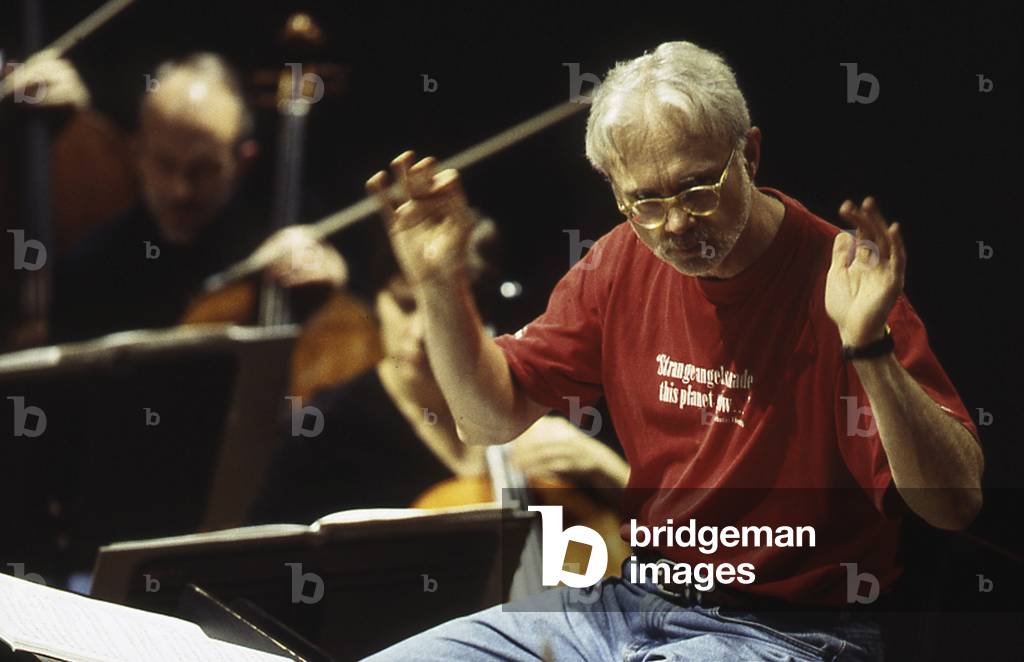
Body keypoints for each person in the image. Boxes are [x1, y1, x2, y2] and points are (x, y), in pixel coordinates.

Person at [360, 41, 983, 661]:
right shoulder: (617, 262)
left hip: (792, 628)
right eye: (646, 203)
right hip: (629, 601)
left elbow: (954, 506)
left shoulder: (838, 281)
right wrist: (437, 282)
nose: (677, 224)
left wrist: (867, 347)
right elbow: (487, 418)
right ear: (615, 192)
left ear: (751, 155)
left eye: (697, 189)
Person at [248, 217, 629, 525]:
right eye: (403, 305)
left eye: (437, 314)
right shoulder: (324, 432)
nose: (417, 334)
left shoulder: (535, 392)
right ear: (376, 299)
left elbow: (667, 541)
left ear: (482, 315)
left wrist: (605, 469)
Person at [41, 52, 346, 342]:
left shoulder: (275, 234)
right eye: (165, 164)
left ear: (243, 162)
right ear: (136, 154)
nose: (180, 190)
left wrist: (334, 275)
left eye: (203, 169)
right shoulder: (87, 271)